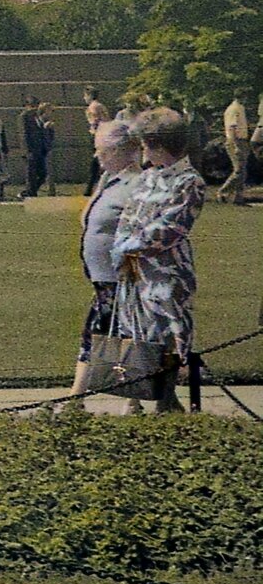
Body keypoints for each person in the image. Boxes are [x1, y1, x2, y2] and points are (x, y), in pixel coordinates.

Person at [110, 108, 208, 414]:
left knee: (167, 335)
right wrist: (121, 251)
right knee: (135, 331)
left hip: (167, 274)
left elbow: (170, 228)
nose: (142, 151)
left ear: (159, 146)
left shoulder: (189, 182)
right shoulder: (147, 177)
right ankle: (135, 399)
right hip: (135, 272)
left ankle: (166, 400)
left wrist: (129, 246)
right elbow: (128, 217)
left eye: (145, 145)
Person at [70, 119, 145, 403]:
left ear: (116, 151)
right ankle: (81, 398)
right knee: (105, 334)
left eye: (100, 150)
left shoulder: (137, 184)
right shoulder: (109, 180)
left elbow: (141, 233)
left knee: (114, 336)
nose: (96, 155)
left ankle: (79, 399)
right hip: (104, 279)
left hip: (123, 278)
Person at [220, 94, 251, 205]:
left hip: (242, 140)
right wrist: (236, 145)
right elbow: (232, 127)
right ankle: (223, 191)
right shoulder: (234, 109)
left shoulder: (241, 108)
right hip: (235, 141)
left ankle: (238, 197)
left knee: (243, 171)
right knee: (238, 170)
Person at [82, 87, 112, 194]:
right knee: (98, 161)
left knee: (97, 161)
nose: (84, 98)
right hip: (103, 134)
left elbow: (96, 122)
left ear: (90, 95)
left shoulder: (93, 107)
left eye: (85, 95)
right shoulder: (101, 106)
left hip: (97, 135)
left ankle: (90, 187)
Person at [19, 96, 50, 198]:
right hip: (31, 151)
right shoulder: (24, 116)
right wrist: (27, 150)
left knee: (43, 174)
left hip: (39, 150)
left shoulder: (38, 116)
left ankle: (28, 192)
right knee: (31, 175)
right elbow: (24, 134)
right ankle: (31, 194)